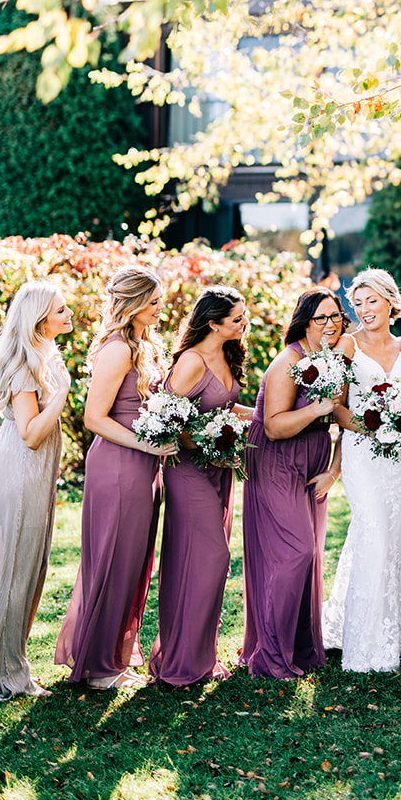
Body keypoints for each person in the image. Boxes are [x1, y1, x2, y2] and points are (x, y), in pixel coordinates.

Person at [56, 265, 170, 692]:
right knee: (113, 560)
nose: (161, 308)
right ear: (135, 303)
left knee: (134, 561)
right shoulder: (118, 349)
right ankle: (99, 665)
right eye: (155, 301)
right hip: (119, 466)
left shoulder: (144, 345)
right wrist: (148, 445)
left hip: (144, 466)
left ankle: (114, 655)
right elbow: (93, 418)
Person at [0, 283, 73, 700]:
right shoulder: (27, 366)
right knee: (13, 568)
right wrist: (60, 396)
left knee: (29, 566)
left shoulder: (45, 354)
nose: (69, 314)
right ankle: (3, 674)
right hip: (22, 469)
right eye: (61, 310)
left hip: (35, 472)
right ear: (40, 319)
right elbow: (30, 434)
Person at [240, 287, 345, 679]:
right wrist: (320, 408)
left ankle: (299, 648)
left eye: (335, 316)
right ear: (304, 322)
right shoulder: (289, 361)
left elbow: (341, 418)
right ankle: (270, 657)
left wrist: (336, 466)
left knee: (311, 556)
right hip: (277, 459)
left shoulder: (332, 359)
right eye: (321, 318)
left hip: (313, 460)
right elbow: (273, 424)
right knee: (294, 553)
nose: (330, 324)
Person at [148, 286, 248, 687]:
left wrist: (264, 415)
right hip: (188, 471)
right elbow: (165, 420)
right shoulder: (191, 361)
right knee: (210, 558)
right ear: (214, 323)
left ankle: (198, 658)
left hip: (218, 470)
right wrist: (210, 442)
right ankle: (180, 662)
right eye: (238, 318)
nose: (245, 324)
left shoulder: (226, 354)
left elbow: (224, 406)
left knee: (205, 562)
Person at [322, 269, 401, 672]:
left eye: (372, 301)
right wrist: (374, 429)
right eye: (358, 303)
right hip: (364, 451)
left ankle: (400, 633)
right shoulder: (347, 344)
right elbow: (336, 406)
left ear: (390, 302)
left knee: (400, 535)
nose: (364, 310)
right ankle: (364, 643)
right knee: (373, 532)